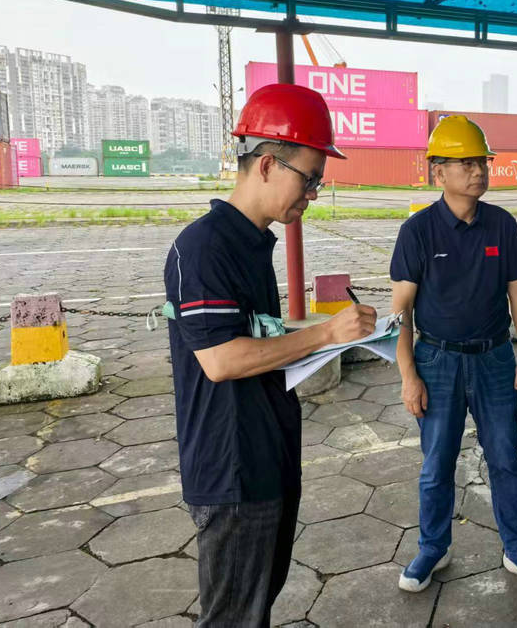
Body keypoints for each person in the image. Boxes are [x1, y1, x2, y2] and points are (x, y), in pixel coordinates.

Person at [164, 83, 376, 627]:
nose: (313, 194)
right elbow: (221, 360)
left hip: (266, 456)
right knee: (234, 617)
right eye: (309, 178)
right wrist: (325, 335)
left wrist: (328, 338)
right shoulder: (206, 247)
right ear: (265, 165)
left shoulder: (252, 244)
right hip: (232, 470)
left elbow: (258, 342)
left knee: (255, 607)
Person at [389, 115, 517, 595]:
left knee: (505, 458)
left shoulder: (501, 225)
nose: (478, 171)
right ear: (438, 171)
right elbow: (401, 312)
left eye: (482, 161)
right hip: (436, 363)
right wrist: (408, 375)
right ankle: (433, 548)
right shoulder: (418, 231)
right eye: (466, 163)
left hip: (494, 360)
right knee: (436, 464)